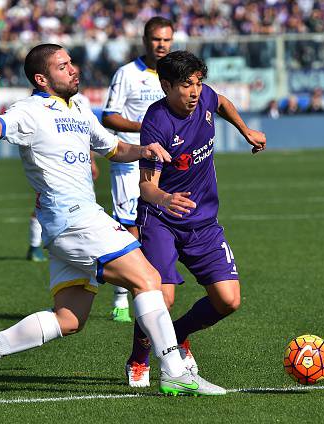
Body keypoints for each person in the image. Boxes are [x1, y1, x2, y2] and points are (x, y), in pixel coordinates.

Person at [0, 43, 226, 399]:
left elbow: (112, 147)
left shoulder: (80, 107)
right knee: (148, 279)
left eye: (72, 63)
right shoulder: (29, 111)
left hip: (66, 226)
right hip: (74, 219)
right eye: (63, 66)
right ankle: (174, 371)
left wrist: (143, 150)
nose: (74, 69)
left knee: (70, 319)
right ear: (42, 78)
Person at [124, 50, 266, 388]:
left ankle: (180, 333)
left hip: (203, 222)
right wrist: (165, 199)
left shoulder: (204, 99)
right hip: (161, 219)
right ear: (166, 85)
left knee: (228, 300)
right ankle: (139, 359)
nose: (195, 92)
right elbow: (146, 187)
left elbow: (223, 102)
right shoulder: (156, 123)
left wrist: (246, 130)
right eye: (186, 85)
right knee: (163, 296)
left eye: (198, 83)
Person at [102, 17, 173, 323]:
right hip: (130, 161)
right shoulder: (127, 74)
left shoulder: (174, 75)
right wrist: (145, 127)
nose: (162, 45)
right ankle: (122, 296)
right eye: (157, 39)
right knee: (130, 226)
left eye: (167, 40)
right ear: (145, 40)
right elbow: (109, 116)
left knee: (158, 226)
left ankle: (149, 287)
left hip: (165, 161)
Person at [26, 69, 99, 263]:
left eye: (72, 69)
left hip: (77, 164)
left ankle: (75, 247)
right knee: (43, 201)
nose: (72, 73)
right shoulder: (39, 104)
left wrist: (91, 160)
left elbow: (87, 135)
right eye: (64, 68)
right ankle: (34, 246)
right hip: (52, 162)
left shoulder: (82, 102)